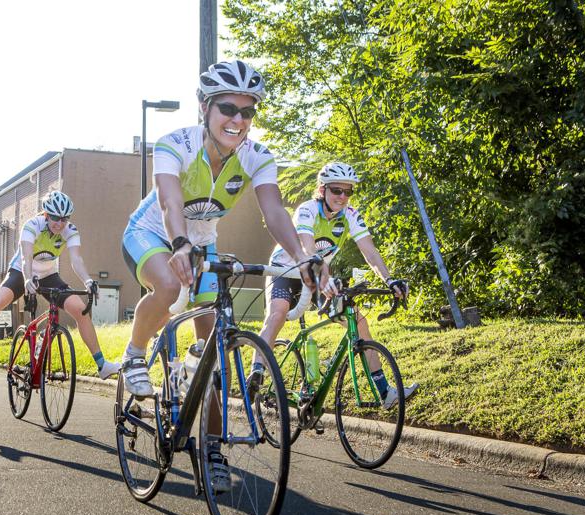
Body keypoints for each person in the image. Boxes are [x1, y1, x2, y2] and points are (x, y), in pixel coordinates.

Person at [118, 60, 315, 491]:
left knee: (214, 357)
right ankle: (135, 352)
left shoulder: (257, 156)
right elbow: (170, 203)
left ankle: (210, 448)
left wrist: (302, 256)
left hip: (204, 240)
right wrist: (180, 244)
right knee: (170, 286)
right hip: (154, 232)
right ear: (205, 107)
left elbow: (274, 211)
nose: (238, 120)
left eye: (248, 112)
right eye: (228, 108)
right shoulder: (176, 144)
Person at [253, 161, 418, 408]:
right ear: (322, 190)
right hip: (287, 269)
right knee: (277, 313)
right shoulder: (307, 210)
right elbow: (309, 250)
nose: (343, 197)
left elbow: (370, 252)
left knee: (358, 322)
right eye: (337, 190)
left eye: (348, 191)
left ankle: (385, 393)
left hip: (319, 273)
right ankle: (256, 372)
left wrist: (389, 279)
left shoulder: (350, 215)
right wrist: (325, 278)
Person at [0, 191, 121, 380]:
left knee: (81, 309)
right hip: (21, 271)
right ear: (46, 215)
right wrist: (27, 279)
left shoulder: (70, 230)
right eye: (55, 218)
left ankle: (102, 365)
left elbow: (76, 259)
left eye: (64, 219)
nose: (59, 223)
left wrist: (88, 280)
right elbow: (26, 258)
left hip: (48, 274)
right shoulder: (32, 226)